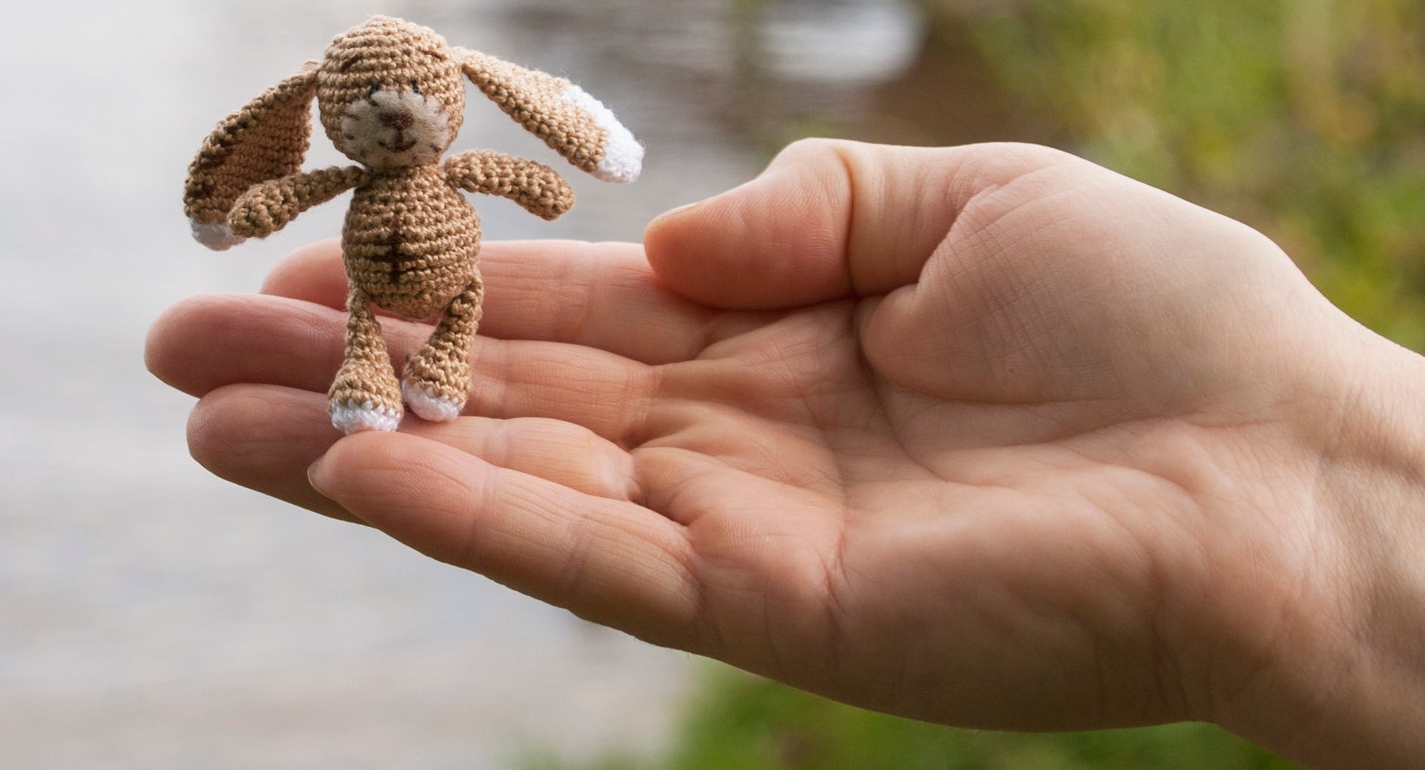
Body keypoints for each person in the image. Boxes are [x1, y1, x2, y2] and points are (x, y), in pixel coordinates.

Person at [146, 139, 1425, 768]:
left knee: (439, 327)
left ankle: (418, 369)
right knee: (355, 333)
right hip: (391, 289)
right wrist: (1318, 475)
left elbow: (527, 157)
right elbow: (312, 183)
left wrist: (1318, 468)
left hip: (455, 292)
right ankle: (389, 368)